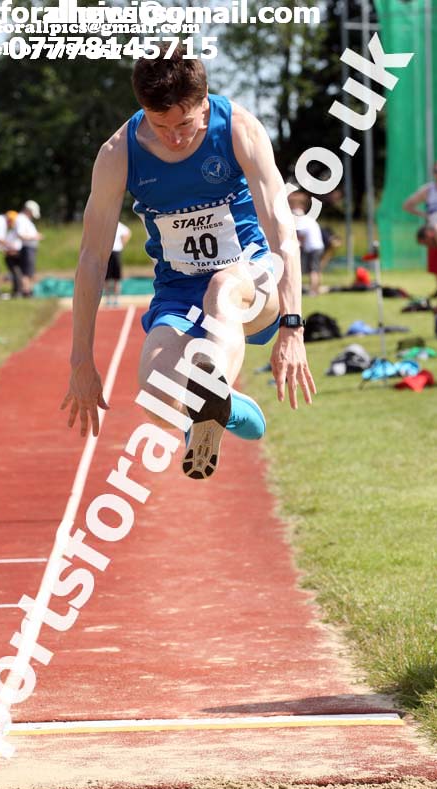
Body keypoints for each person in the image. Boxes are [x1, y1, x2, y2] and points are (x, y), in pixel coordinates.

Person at [61, 47, 315, 480]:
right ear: (142, 109)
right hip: (178, 292)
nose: (174, 138)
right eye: (160, 126)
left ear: (205, 99)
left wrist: (292, 326)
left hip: (250, 278)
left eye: (184, 124)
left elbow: (282, 231)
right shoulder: (118, 153)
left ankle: (215, 388)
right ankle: (222, 408)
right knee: (157, 405)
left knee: (223, 288)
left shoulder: (238, 129)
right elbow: (92, 258)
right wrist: (81, 359)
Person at [403, 162, 437, 294]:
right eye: (435, 171)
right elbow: (407, 205)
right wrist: (424, 215)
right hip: (433, 232)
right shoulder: (428, 190)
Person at [293, 206, 325, 296]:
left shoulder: (302, 222)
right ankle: (317, 289)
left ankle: (313, 291)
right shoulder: (310, 220)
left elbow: (301, 238)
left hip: (312, 248)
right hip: (319, 246)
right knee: (317, 268)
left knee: (313, 270)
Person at [15, 200, 43, 297]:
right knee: (26, 272)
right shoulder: (21, 219)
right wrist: (35, 237)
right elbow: (20, 234)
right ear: (29, 210)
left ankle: (27, 290)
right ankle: (26, 291)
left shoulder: (24, 220)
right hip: (27, 247)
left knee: (29, 271)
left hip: (29, 248)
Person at [103, 221, 132, 307]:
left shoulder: (119, 226)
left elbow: (128, 233)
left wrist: (122, 244)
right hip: (107, 252)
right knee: (106, 277)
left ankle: (116, 299)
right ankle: (107, 299)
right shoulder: (104, 224)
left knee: (117, 277)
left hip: (116, 252)